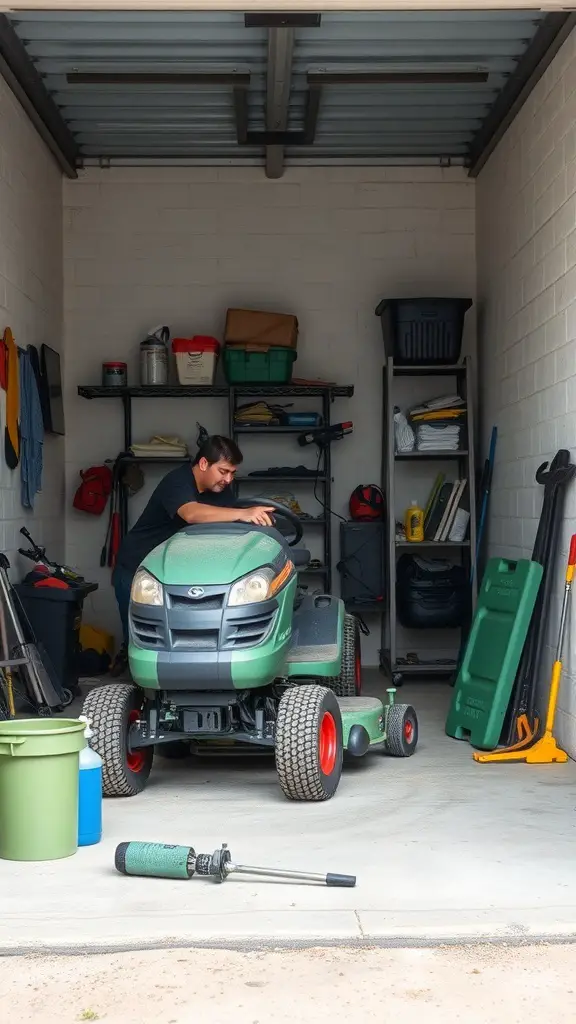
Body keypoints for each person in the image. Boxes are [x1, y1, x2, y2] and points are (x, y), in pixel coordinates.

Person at [110, 435, 274, 676]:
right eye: (223, 471)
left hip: (176, 572)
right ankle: (138, 693)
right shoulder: (177, 481)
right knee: (142, 637)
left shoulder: (223, 492)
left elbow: (224, 529)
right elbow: (192, 514)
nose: (228, 479)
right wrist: (243, 513)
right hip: (138, 568)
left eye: (232, 473)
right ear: (204, 464)